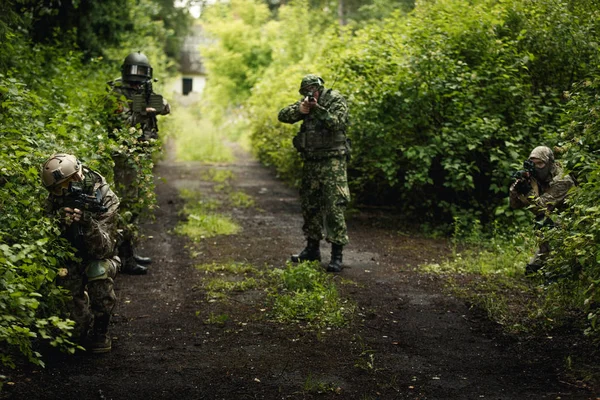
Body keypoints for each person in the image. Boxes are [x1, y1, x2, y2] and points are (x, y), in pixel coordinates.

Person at [41, 153, 120, 353]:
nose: (61, 193)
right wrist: (58, 223)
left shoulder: (105, 197)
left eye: (64, 187)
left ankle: (101, 331)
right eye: (56, 190)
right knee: (74, 335)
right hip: (70, 258)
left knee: (97, 271)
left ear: (76, 178)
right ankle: (82, 313)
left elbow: (104, 248)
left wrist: (87, 223)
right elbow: (45, 236)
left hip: (100, 257)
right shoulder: (56, 199)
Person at [278, 74, 351, 273]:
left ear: (320, 88)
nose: (310, 94)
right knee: (310, 205)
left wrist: (317, 109)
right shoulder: (306, 103)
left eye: (312, 90)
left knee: (334, 206)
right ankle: (312, 250)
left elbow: (337, 123)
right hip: (311, 162)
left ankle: (337, 255)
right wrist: (300, 109)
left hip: (332, 162)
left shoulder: (335, 99)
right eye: (306, 92)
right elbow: (282, 115)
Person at [107, 51, 171, 275]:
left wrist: (152, 105)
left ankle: (129, 252)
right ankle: (123, 258)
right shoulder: (116, 93)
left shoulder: (142, 90)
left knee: (134, 206)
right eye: (134, 72)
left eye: (141, 72)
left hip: (139, 155)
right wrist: (144, 109)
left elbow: (165, 106)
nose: (137, 78)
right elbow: (122, 124)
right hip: (125, 157)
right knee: (127, 205)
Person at [509, 145, 575, 274]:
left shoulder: (562, 180)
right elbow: (514, 205)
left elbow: (541, 208)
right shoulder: (535, 177)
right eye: (533, 163)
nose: (536, 167)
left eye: (540, 163)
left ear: (550, 163)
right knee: (543, 222)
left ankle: (557, 266)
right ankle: (544, 261)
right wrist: (516, 189)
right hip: (555, 217)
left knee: (545, 221)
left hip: (573, 219)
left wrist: (527, 191)